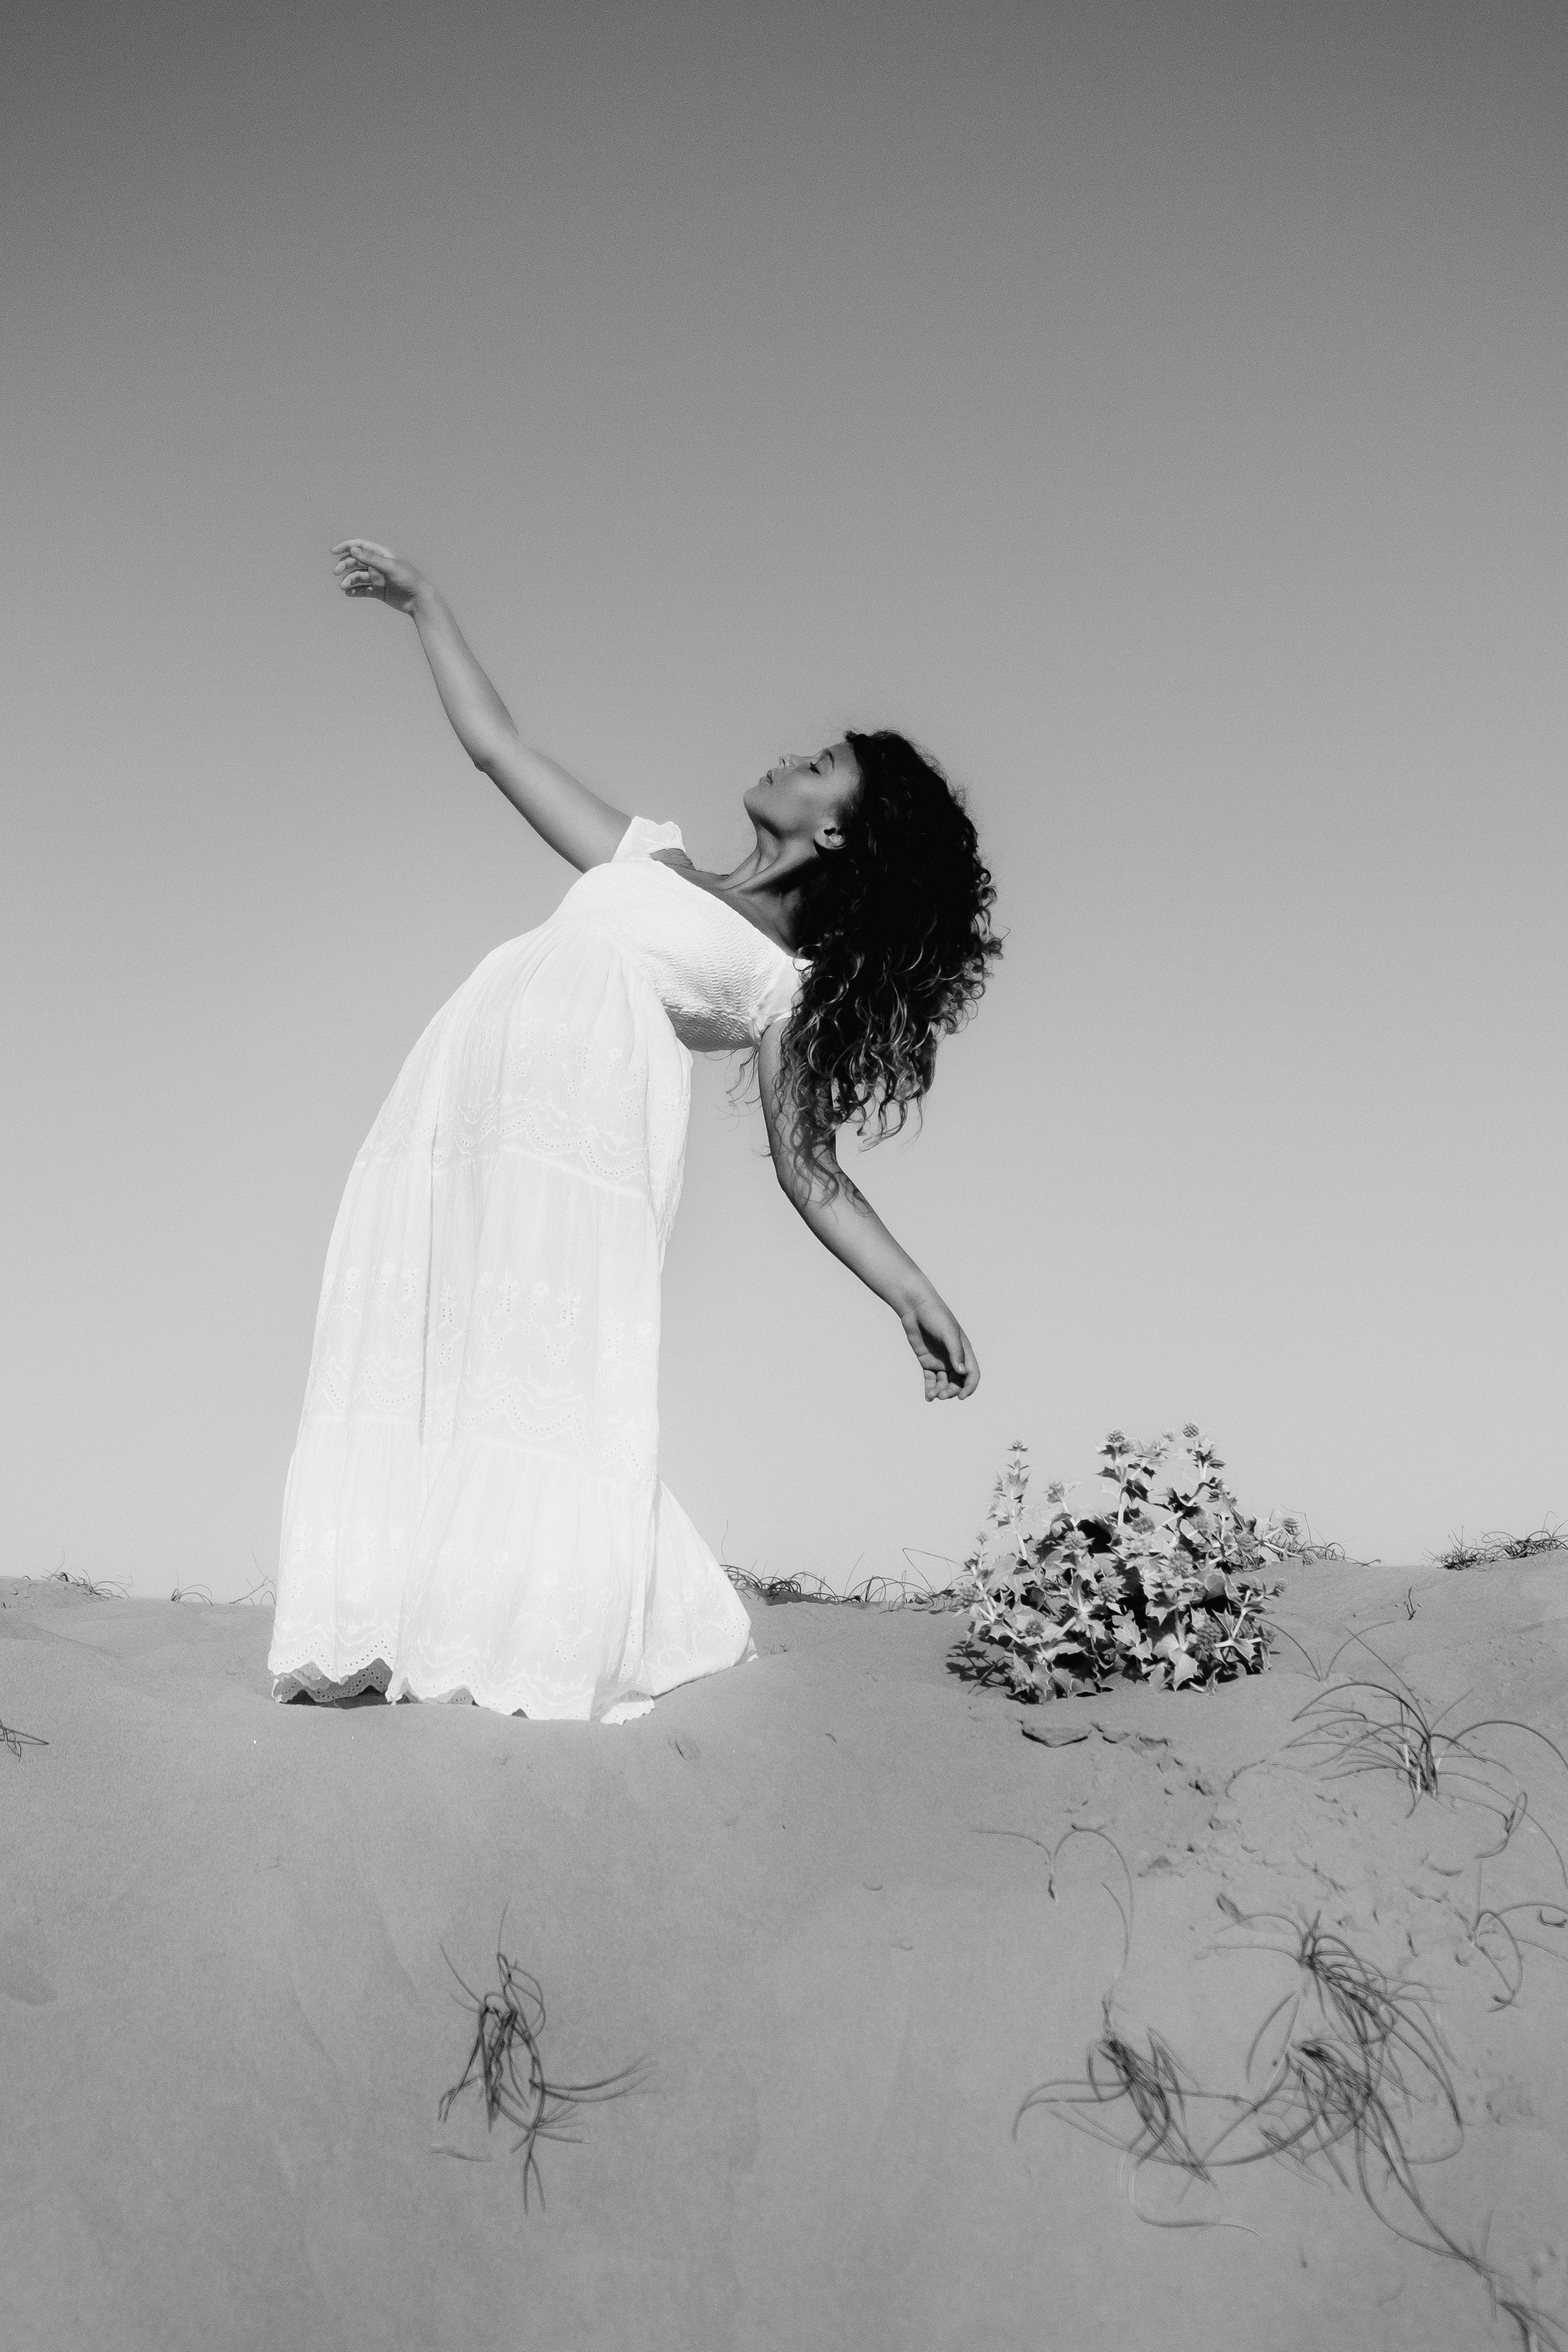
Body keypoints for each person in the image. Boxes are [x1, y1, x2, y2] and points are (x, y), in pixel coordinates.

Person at [266, 538, 1001, 1722]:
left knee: (533, 1371)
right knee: (429, 1332)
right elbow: (501, 749)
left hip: (577, 1156)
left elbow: (807, 1171)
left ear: (836, 834)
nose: (785, 757)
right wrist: (425, 605)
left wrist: (912, 1290)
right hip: (462, 1104)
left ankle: (502, 1637)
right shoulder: (644, 853)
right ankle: (384, 1631)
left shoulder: (782, 983)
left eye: (818, 766)